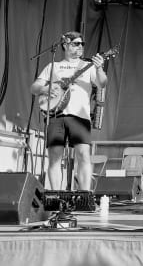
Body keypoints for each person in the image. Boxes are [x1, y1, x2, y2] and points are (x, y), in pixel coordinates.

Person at [31, 31, 107, 190]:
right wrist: (46, 89)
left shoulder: (88, 66)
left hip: (80, 116)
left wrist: (99, 68)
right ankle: (55, 195)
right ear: (65, 45)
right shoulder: (53, 66)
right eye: (76, 44)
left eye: (82, 44)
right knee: (54, 157)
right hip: (55, 115)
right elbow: (34, 87)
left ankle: (85, 194)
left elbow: (102, 84)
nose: (80, 47)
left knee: (83, 155)